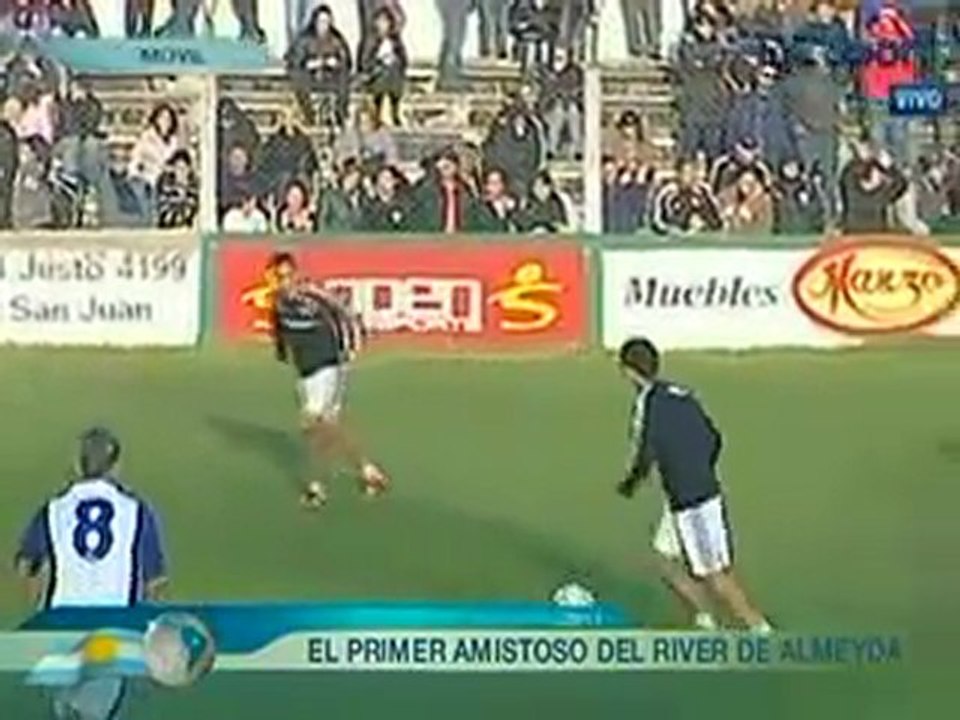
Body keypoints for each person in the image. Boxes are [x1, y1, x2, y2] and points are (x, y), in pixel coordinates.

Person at [616, 337, 773, 632]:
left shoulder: (648, 406)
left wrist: (630, 484)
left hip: (694, 502)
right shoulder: (681, 394)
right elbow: (713, 437)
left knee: (716, 574)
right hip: (682, 496)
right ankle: (704, 618)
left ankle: (760, 629)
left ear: (629, 371)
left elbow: (647, 452)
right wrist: (700, 465)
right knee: (664, 558)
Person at [15, 427, 167, 720]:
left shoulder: (54, 508)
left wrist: (39, 613)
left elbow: (25, 565)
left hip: (60, 629)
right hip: (113, 630)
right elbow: (155, 582)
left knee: (66, 711)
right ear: (116, 466)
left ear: (78, 464)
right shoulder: (136, 511)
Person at [269, 252, 390, 508]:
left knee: (314, 422)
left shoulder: (314, 296)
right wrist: (281, 351)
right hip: (306, 371)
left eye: (288, 275)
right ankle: (368, 470)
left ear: (296, 274)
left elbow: (344, 314)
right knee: (327, 426)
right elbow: (279, 331)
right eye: (280, 277)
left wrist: (352, 346)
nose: (285, 281)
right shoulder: (278, 303)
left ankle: (317, 487)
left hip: (329, 364)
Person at [285, 4, 352, 127]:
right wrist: (308, 64)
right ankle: (309, 116)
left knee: (344, 80)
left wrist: (336, 64)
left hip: (331, 78)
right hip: (309, 78)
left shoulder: (337, 40)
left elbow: (346, 61)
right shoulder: (304, 39)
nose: (323, 25)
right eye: (321, 22)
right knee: (299, 80)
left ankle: (340, 114)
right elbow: (294, 62)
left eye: (326, 22)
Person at [359, 8, 408, 127]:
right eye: (380, 21)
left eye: (385, 22)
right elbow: (365, 62)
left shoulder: (395, 41)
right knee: (384, 74)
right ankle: (378, 111)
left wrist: (393, 58)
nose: (383, 25)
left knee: (392, 72)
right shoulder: (370, 41)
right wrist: (379, 60)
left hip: (392, 75)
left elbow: (404, 61)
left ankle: (394, 110)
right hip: (374, 76)